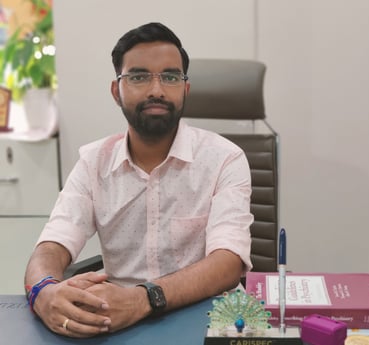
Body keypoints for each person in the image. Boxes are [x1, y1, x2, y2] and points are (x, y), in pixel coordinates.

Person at [24, 22, 253, 338]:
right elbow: (51, 246)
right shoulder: (94, 162)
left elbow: (227, 262)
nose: (156, 89)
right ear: (117, 91)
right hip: (118, 323)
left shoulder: (225, 158)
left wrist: (144, 298)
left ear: (185, 89)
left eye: (170, 77)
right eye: (139, 76)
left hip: (213, 318)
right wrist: (44, 292)